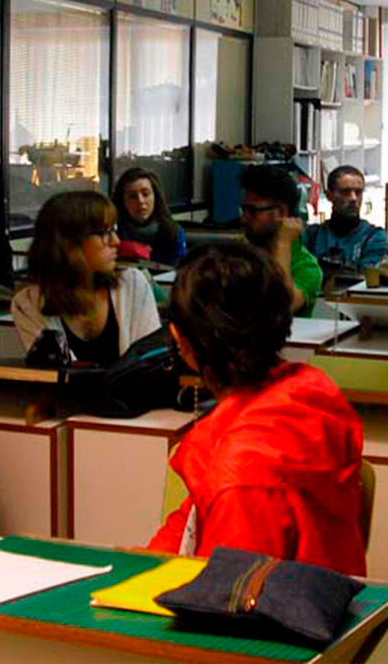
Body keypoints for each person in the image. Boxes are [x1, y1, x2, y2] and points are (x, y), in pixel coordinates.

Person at [148, 242, 366, 575]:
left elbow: (228, 601)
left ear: (182, 342)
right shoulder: (307, 396)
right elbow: (189, 524)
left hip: (266, 619)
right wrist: (138, 565)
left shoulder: (242, 470)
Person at [11, 190, 160, 366]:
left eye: (114, 229)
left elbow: (148, 366)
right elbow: (59, 374)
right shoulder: (27, 304)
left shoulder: (133, 284)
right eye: (103, 233)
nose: (116, 241)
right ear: (69, 243)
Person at [239, 165, 322, 317]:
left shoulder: (306, 268)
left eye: (253, 211)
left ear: (282, 212)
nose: (244, 219)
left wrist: (283, 243)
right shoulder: (238, 256)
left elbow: (278, 309)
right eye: (243, 210)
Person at [303, 165, 387, 274]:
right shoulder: (312, 236)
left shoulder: (374, 238)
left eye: (358, 192)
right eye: (345, 192)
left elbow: (367, 279)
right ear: (329, 196)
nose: (353, 198)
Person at [113, 167, 187, 266]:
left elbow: (180, 271)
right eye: (132, 196)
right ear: (122, 201)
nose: (140, 201)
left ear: (155, 196)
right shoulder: (113, 234)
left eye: (145, 194)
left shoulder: (173, 232)